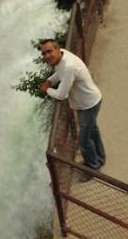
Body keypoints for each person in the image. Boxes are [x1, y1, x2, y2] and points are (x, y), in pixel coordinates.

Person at [39, 39, 105, 171]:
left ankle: (93, 167)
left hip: (88, 104)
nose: (47, 56)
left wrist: (47, 89)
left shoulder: (69, 66)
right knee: (93, 131)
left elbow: (62, 95)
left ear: (57, 49)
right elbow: (60, 73)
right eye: (44, 53)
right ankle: (100, 158)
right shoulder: (62, 56)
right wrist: (49, 81)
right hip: (89, 101)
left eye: (49, 51)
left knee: (84, 141)